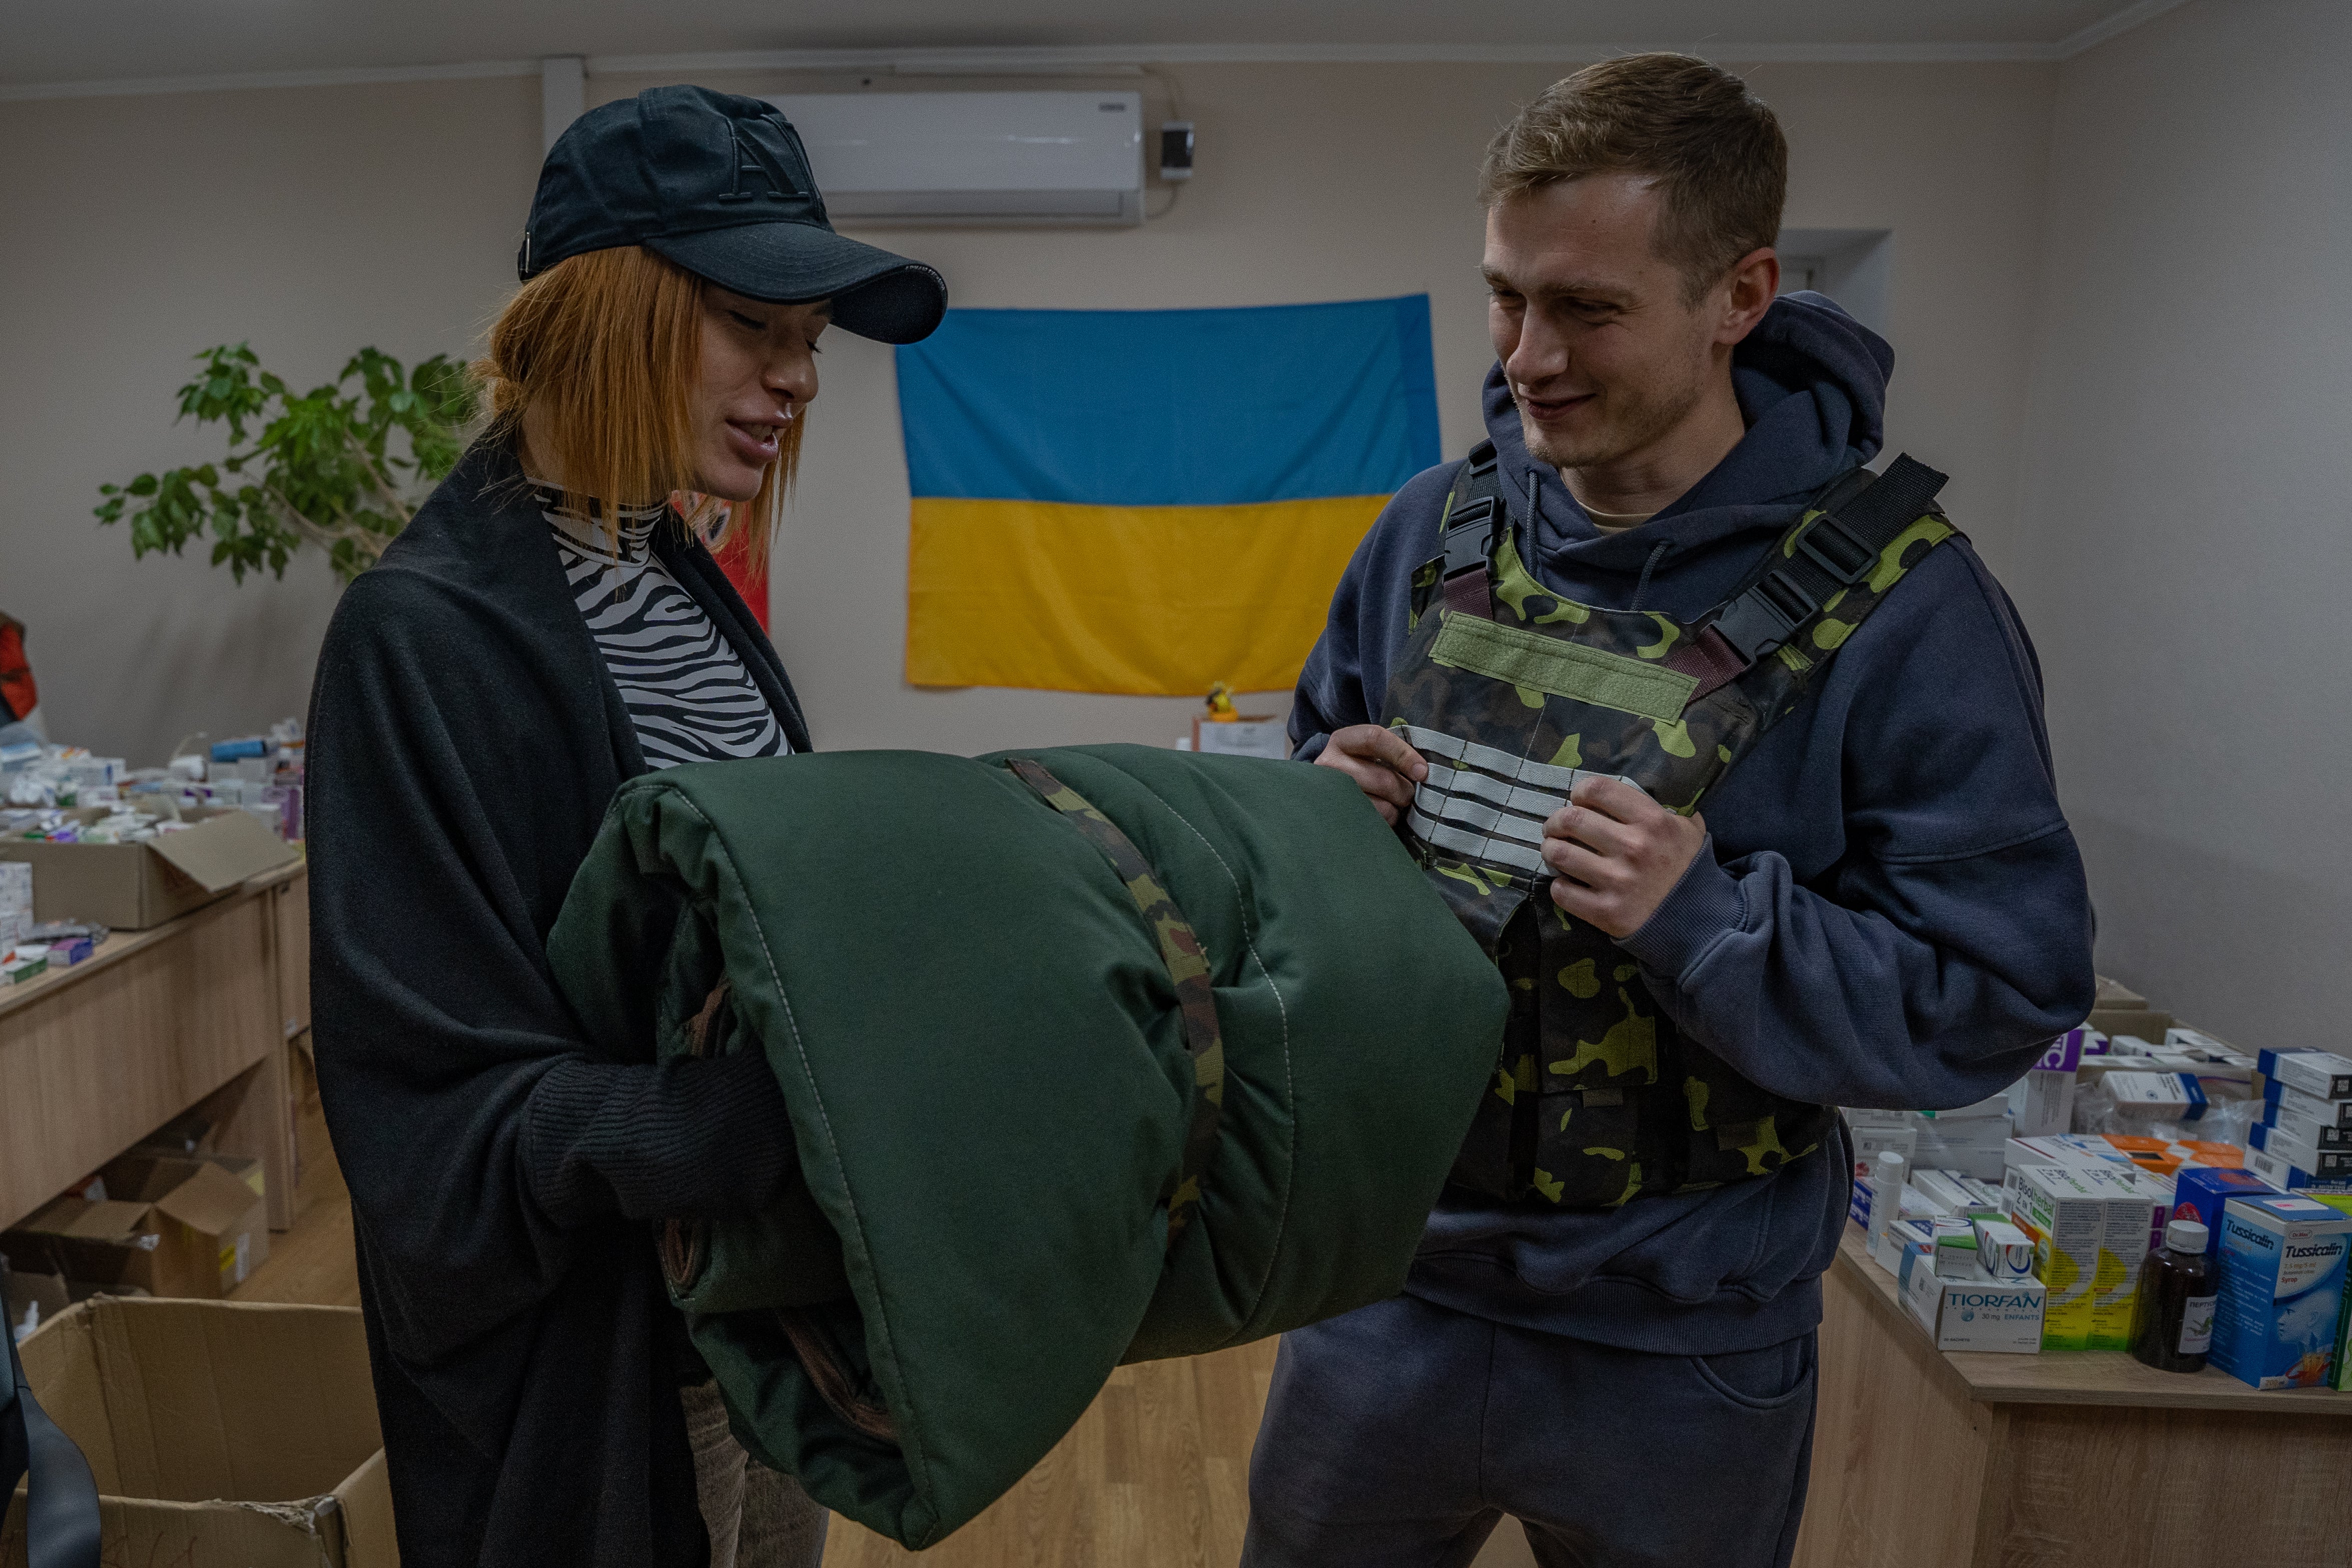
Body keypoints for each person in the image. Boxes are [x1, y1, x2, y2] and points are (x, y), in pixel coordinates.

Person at [1247, 54, 2094, 1568]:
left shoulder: (1914, 611)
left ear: (1741, 293)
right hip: (1386, 1291)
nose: (1523, 354)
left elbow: (2002, 990)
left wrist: (1708, 925)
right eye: (1506, 295)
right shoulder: (1425, 531)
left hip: (1682, 1341)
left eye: (1587, 308)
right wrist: (1316, 820)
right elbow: (1301, 801)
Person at [305, 87, 945, 1568]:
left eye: (812, 344)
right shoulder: (421, 638)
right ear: (606, 309)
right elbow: (435, 1118)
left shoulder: (675, 576)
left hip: (757, 1329)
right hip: (603, 1369)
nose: (799, 380)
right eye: (753, 325)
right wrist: (775, 1122)